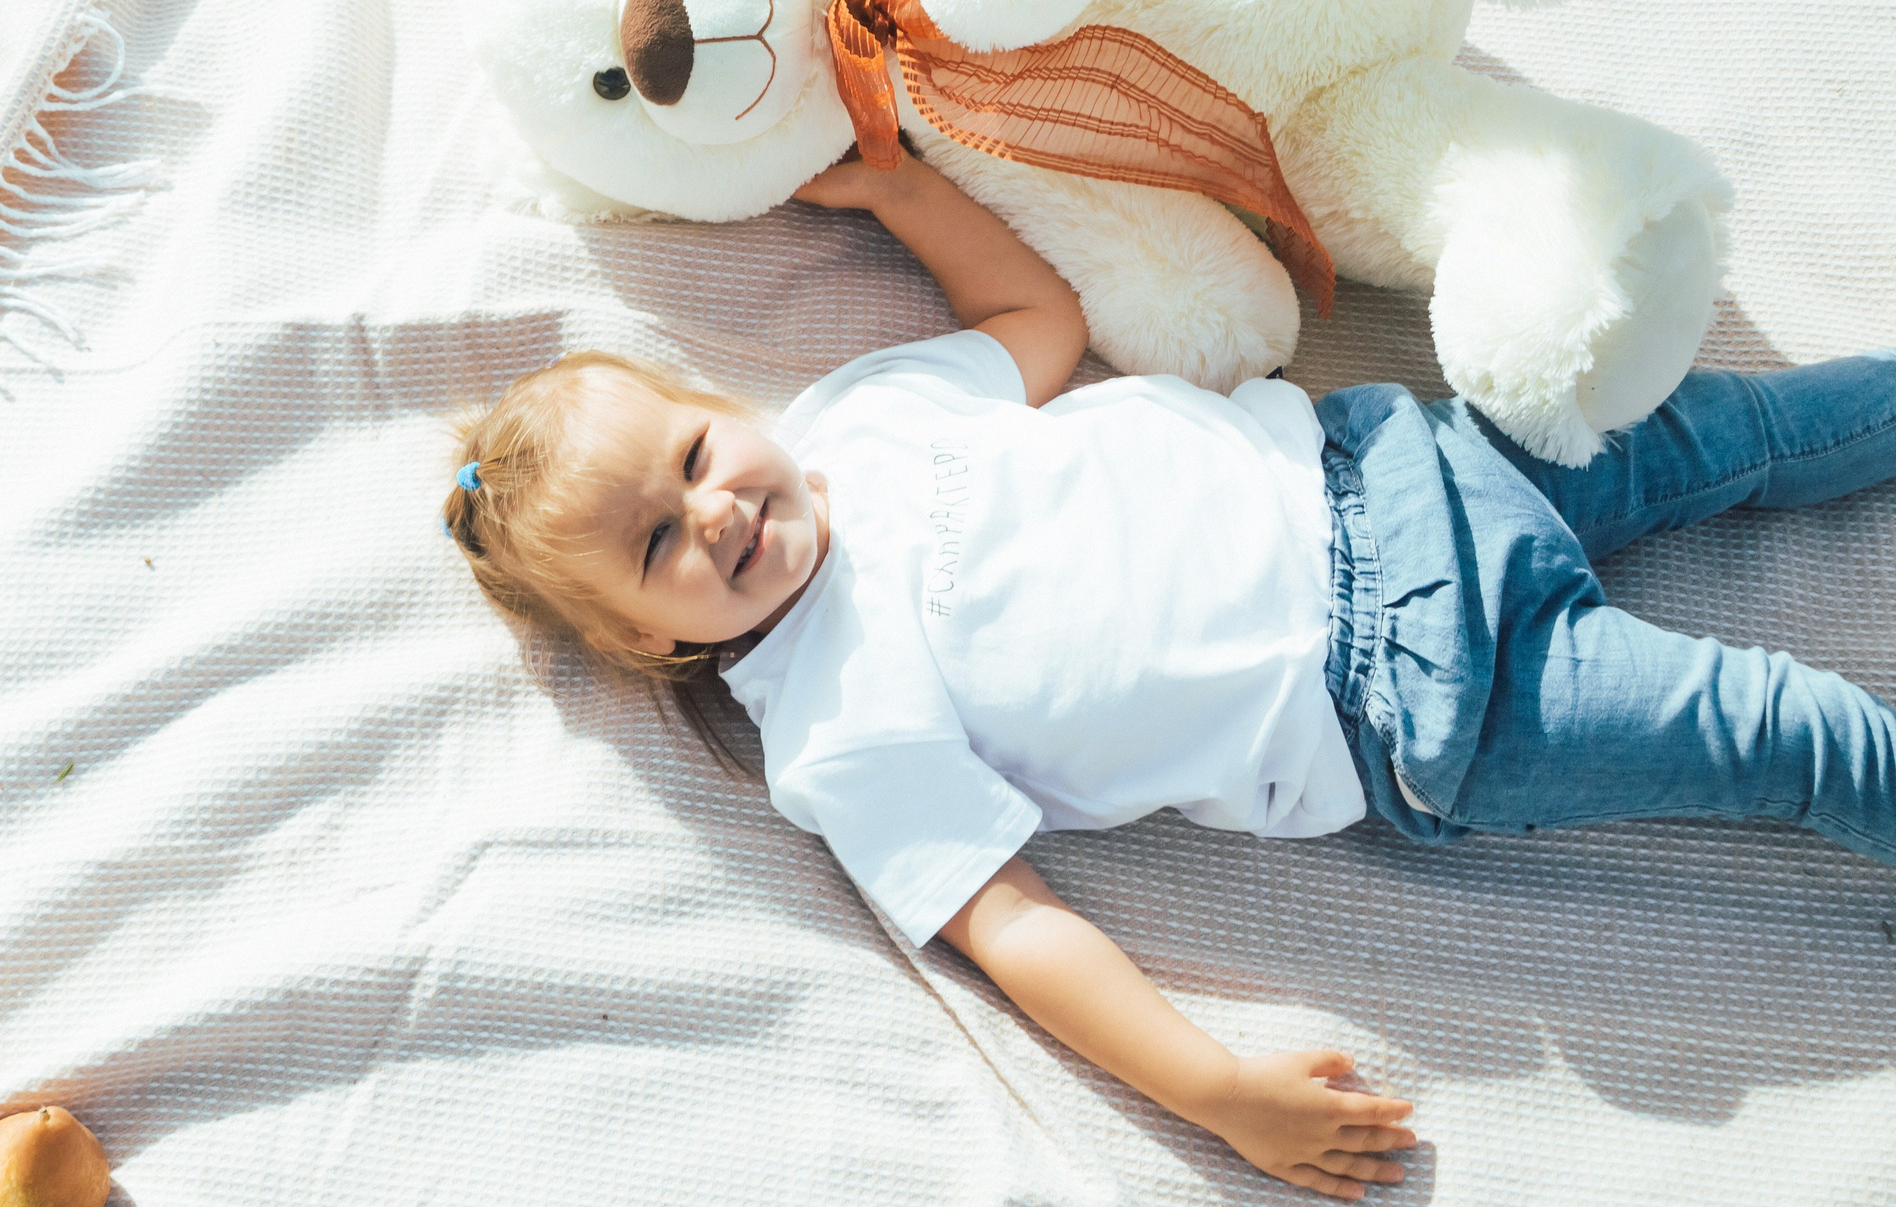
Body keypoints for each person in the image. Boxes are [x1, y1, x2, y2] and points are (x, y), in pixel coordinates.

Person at [439, 148, 1896, 1202]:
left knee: (1750, 433)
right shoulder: (830, 730)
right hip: (1418, 689)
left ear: (718, 411)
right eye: (657, 545)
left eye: (694, 457)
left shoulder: (857, 419)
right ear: (652, 639)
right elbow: (1014, 926)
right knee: (1786, 731)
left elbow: (1037, 327)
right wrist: (1212, 1092)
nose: (715, 511)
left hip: (1398, 459)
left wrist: (904, 195)